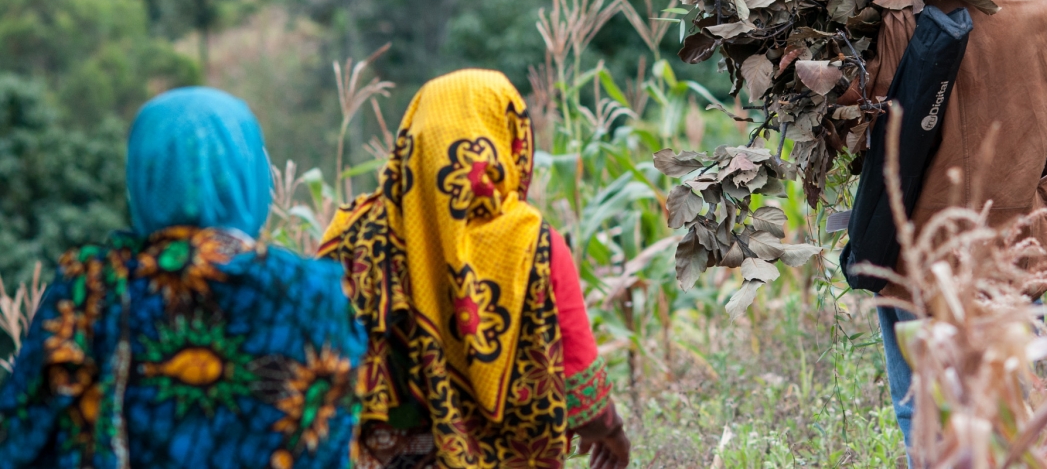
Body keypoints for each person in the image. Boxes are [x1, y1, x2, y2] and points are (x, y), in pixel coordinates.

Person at [0, 87, 366, 469]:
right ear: (254, 175)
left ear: (141, 177)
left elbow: (20, 439)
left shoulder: (87, 285)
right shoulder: (314, 295)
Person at [854, 0, 1047, 453]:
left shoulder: (905, 8)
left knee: (923, 423)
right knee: (1008, 424)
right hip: (1009, 256)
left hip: (916, 257)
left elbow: (866, 99)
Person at [319, 69, 630, 469]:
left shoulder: (354, 234)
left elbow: (312, 352)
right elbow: (577, 381)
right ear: (510, 142)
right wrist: (610, 431)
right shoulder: (533, 244)